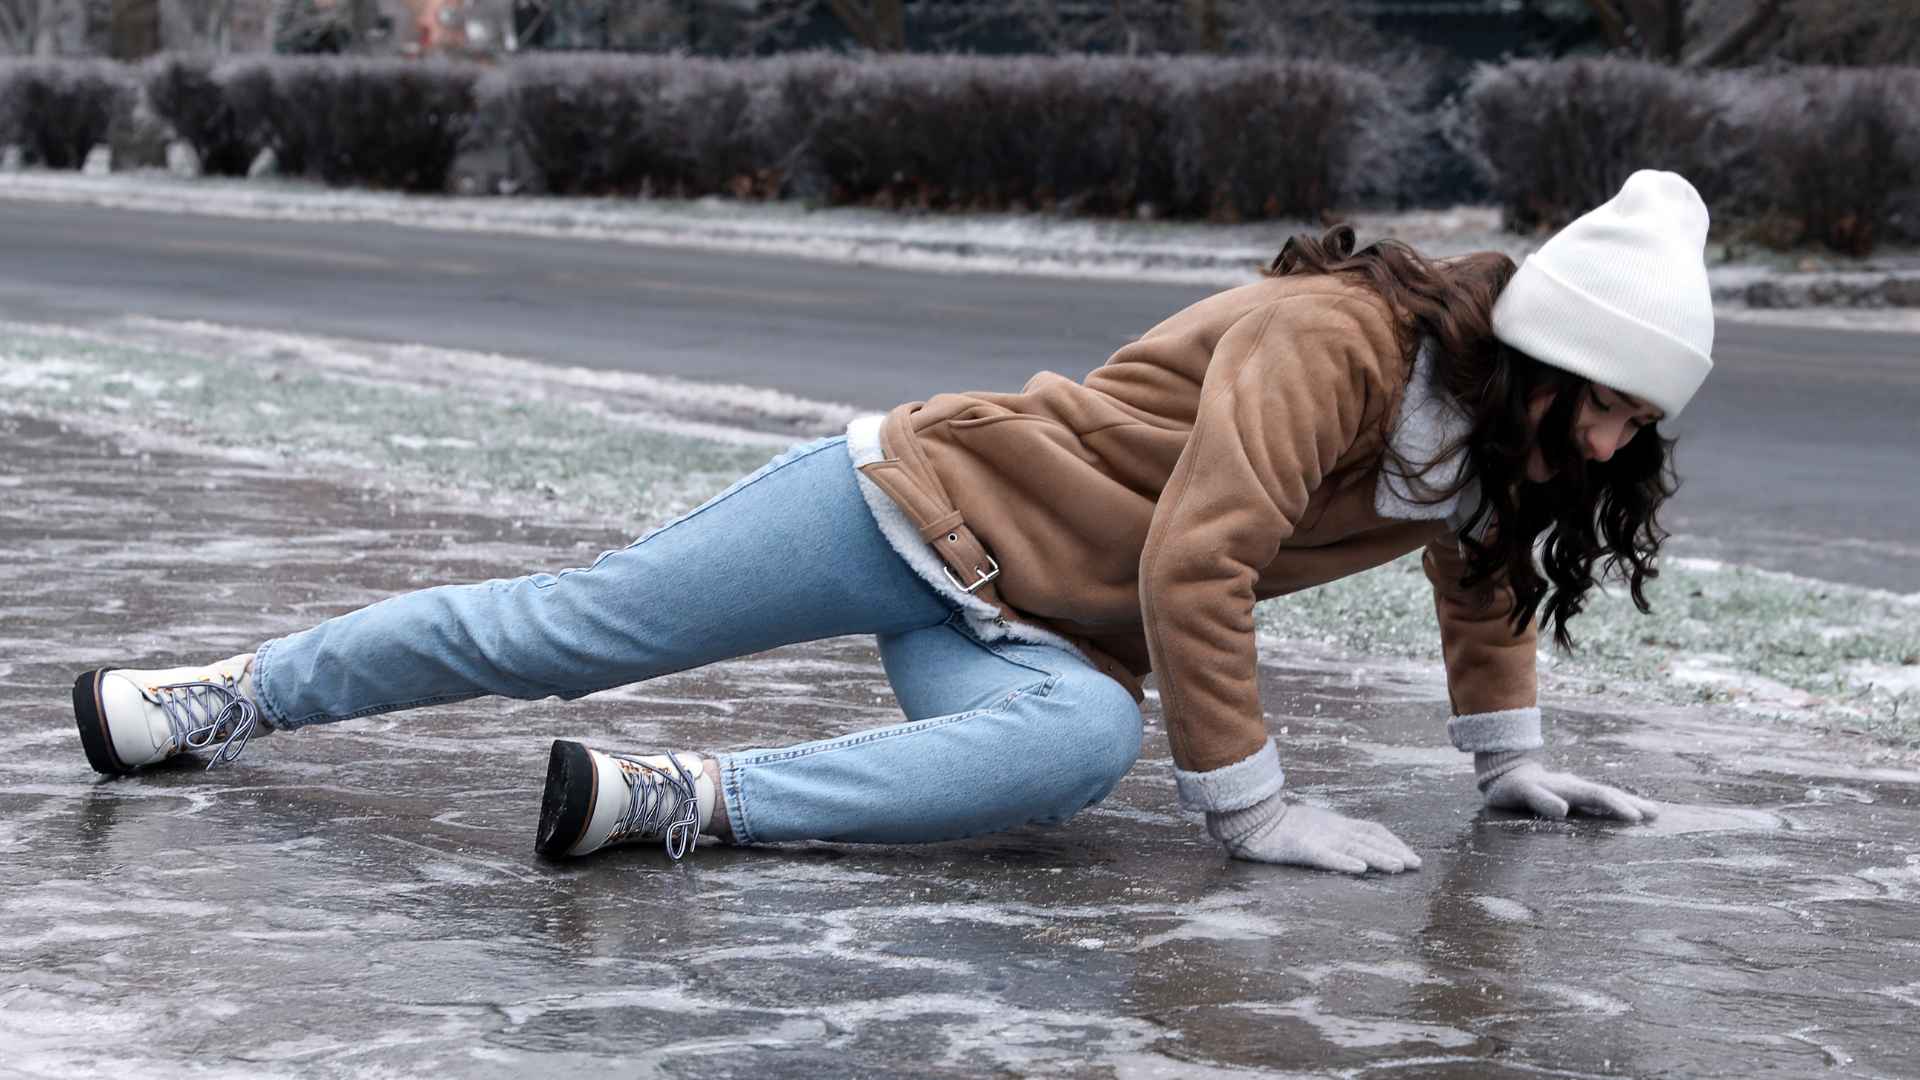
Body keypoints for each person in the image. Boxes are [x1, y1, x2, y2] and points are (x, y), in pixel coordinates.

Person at [70, 170, 1709, 875]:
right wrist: (1255, 811)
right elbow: (1199, 556)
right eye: (1612, 403)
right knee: (568, 632)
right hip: (913, 502)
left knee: (1068, 756)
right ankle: (222, 695)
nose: (1618, 440)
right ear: (1537, 359)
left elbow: (1484, 566)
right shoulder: (1338, 340)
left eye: (1643, 420)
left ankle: (676, 803)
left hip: (1038, 628)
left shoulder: (1500, 444)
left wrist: (1507, 763)